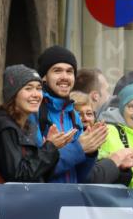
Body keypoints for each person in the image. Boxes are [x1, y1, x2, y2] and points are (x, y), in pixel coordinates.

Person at [0, 64, 71, 184]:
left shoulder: (27, 125)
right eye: (28, 88)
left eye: (39, 88)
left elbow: (36, 174)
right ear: (13, 94)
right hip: (7, 201)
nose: (36, 95)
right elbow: (18, 175)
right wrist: (49, 148)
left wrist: (49, 148)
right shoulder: (4, 127)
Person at [30, 45, 106, 184]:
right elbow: (37, 171)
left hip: (70, 201)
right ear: (44, 77)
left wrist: (90, 153)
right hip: (42, 201)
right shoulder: (34, 111)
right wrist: (79, 148)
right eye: (57, 71)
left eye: (69, 71)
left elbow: (80, 176)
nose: (64, 77)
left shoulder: (73, 114)